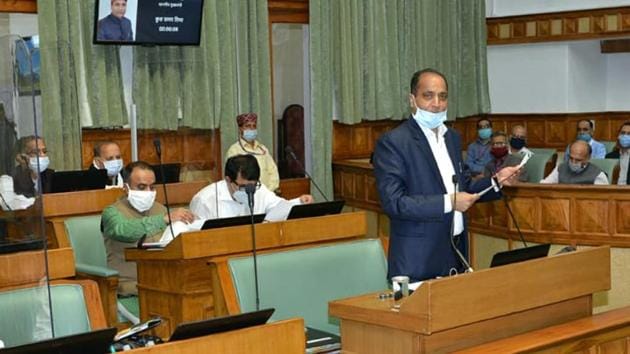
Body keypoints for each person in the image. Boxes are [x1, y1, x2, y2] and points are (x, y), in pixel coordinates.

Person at [372, 68, 520, 282]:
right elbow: (395, 203)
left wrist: (497, 181)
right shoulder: (394, 142)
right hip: (417, 261)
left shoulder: (452, 138)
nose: (436, 104)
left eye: (443, 96)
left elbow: (464, 186)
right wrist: (449, 202)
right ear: (412, 100)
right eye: (428, 96)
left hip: (455, 254)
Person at [101, 161, 194, 296]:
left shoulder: (160, 208)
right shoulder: (111, 212)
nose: (148, 192)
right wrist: (162, 220)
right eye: (141, 187)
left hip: (162, 281)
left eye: (152, 187)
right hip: (130, 285)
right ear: (126, 188)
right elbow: (123, 230)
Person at [190, 154, 312, 221]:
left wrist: (299, 202)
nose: (250, 191)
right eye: (243, 187)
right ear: (228, 180)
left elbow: (278, 207)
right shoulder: (205, 199)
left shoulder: (259, 190)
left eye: (252, 186)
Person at [225, 113, 280, 192]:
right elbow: (233, 177)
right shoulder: (234, 150)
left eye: (254, 126)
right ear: (240, 128)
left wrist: (268, 191)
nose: (251, 129)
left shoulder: (262, 149)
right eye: (247, 126)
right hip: (246, 193)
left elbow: (273, 171)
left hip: (267, 194)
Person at [541, 140, 608, 185]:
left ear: (588, 158)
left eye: (578, 160)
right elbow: (545, 185)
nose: (573, 162)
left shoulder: (598, 175)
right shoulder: (561, 168)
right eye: (571, 158)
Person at [605, 121, 630, 185]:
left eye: (629, 134)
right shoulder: (610, 156)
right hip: (613, 191)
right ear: (618, 136)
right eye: (623, 133)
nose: (625, 136)